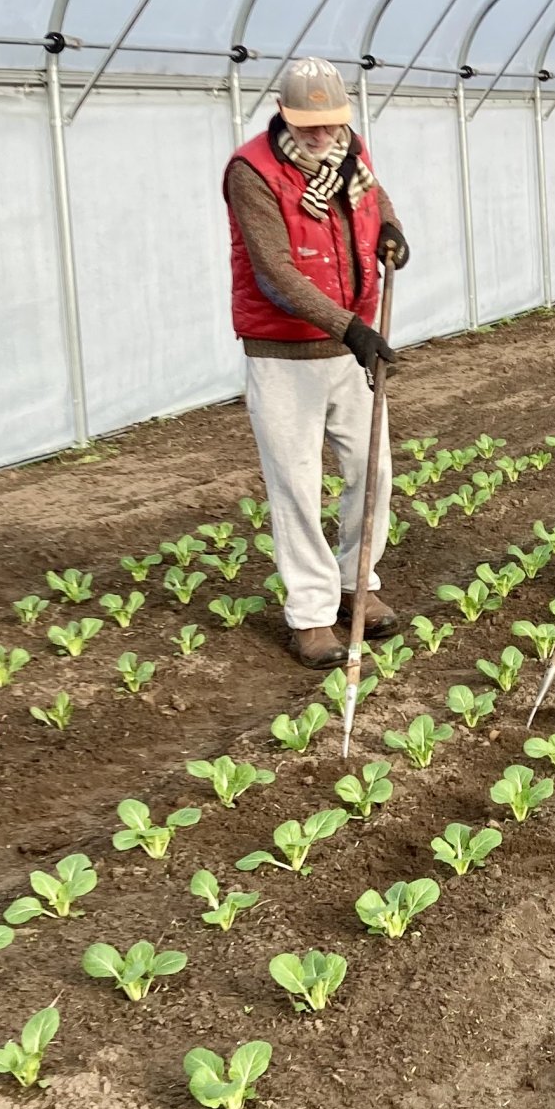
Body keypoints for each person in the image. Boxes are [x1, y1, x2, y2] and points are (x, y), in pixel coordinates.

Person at [222, 57, 412, 668]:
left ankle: (359, 584)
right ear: (283, 114)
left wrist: (391, 229)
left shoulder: (349, 150)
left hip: (350, 343)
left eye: (330, 123)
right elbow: (275, 272)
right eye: (308, 125)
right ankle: (310, 615)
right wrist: (349, 328)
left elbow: (374, 198)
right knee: (297, 483)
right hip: (285, 352)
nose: (322, 134)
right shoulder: (252, 171)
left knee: (372, 469)